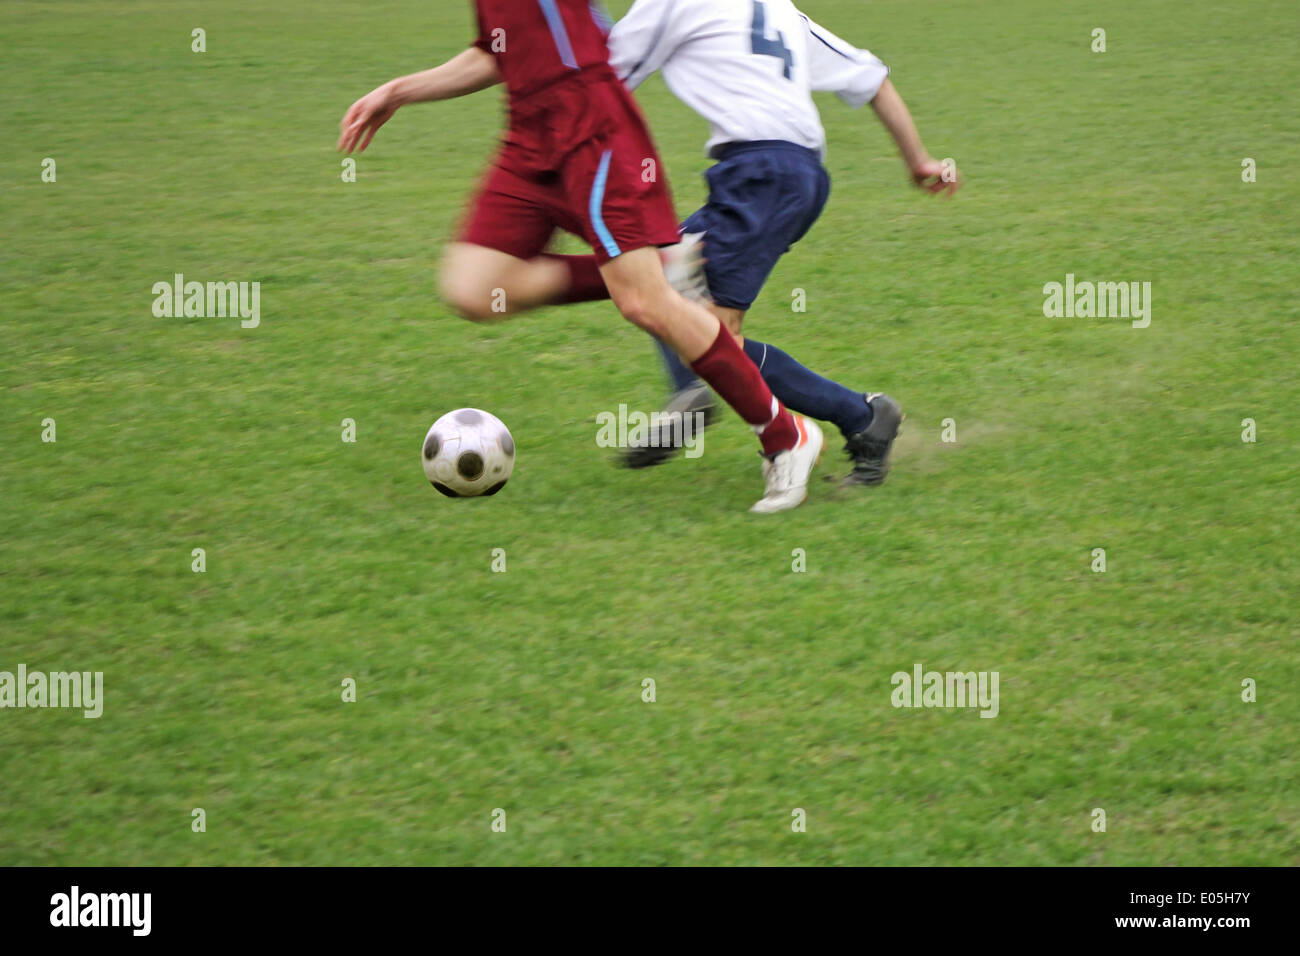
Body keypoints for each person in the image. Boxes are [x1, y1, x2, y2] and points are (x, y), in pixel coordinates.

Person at [338, 1, 823, 513]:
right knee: (473, 289)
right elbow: (497, 50)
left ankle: (785, 436)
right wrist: (399, 90)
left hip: (591, 128)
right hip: (528, 133)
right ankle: (662, 268)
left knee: (645, 304)